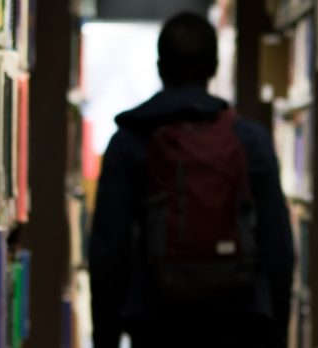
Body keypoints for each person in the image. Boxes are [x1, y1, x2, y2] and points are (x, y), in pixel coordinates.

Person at [89, 11, 295, 348]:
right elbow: (279, 248)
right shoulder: (250, 140)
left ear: (160, 67)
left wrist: (106, 338)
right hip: (239, 321)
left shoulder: (129, 141)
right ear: (214, 67)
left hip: (156, 323)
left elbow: (108, 252)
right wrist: (277, 332)